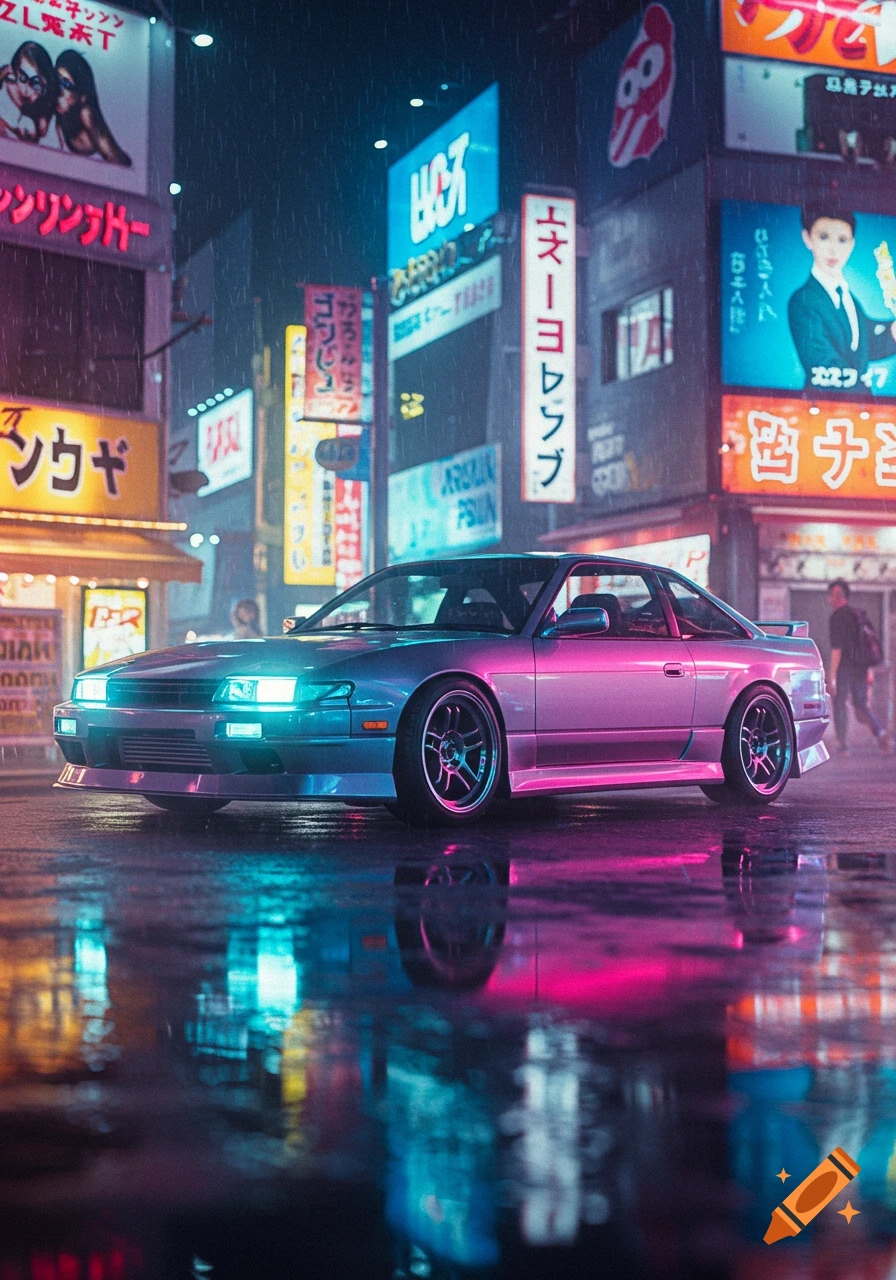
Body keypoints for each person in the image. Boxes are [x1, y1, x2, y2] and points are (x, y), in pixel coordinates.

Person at [788, 207, 896, 390]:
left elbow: (864, 348)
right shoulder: (803, 301)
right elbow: (821, 362)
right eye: (823, 237)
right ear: (807, 238)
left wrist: (892, 333)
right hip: (819, 407)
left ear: (852, 244)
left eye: (842, 240)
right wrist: (860, 383)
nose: (833, 250)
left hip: (860, 411)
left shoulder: (849, 299)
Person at [827, 578, 887, 754]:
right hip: (860, 666)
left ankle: (843, 745)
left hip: (845, 667)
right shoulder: (858, 614)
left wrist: (831, 677)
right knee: (860, 706)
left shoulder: (837, 617)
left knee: (839, 703)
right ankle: (881, 732)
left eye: (830, 595)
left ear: (838, 594)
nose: (829, 599)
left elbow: (837, 649)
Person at [54, 49, 132, 166]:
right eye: (56, 80)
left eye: (66, 84)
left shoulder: (86, 114)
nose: (59, 89)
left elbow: (118, 162)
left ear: (82, 96)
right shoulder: (58, 113)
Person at [0, 42, 56, 144]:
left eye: (35, 83)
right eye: (23, 77)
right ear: (14, 70)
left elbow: (36, 133)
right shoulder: (8, 82)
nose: (26, 90)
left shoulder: (44, 104)